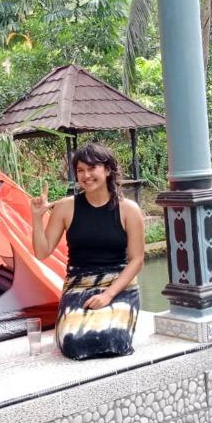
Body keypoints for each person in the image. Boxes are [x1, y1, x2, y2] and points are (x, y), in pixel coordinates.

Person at [31, 142, 145, 359]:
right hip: (78, 284)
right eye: (80, 170)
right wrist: (37, 217)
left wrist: (108, 294)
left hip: (118, 284)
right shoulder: (65, 207)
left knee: (113, 340)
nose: (86, 175)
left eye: (92, 168)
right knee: (73, 343)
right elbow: (41, 252)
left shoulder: (129, 209)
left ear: (107, 170)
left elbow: (137, 260)